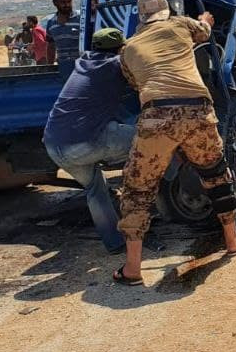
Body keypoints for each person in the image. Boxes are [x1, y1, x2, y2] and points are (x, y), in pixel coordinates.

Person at [114, 0, 236, 286]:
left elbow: (133, 80)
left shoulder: (128, 48)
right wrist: (206, 20)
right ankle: (233, 240)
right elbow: (206, 30)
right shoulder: (182, 25)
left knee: (138, 189)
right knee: (215, 174)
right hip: (198, 109)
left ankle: (132, 269)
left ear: (141, 17)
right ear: (166, 11)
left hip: (157, 114)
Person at [44, 28, 163, 254]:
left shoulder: (84, 62)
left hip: (54, 144)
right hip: (84, 140)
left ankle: (116, 243)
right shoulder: (115, 64)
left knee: (95, 188)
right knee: (152, 143)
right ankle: (144, 214)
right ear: (120, 48)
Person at [42, 0, 81, 75]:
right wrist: (50, 66)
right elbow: (51, 46)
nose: (67, 5)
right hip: (64, 67)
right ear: (55, 3)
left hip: (81, 66)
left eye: (69, 2)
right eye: (63, 2)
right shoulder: (51, 23)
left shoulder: (81, 19)